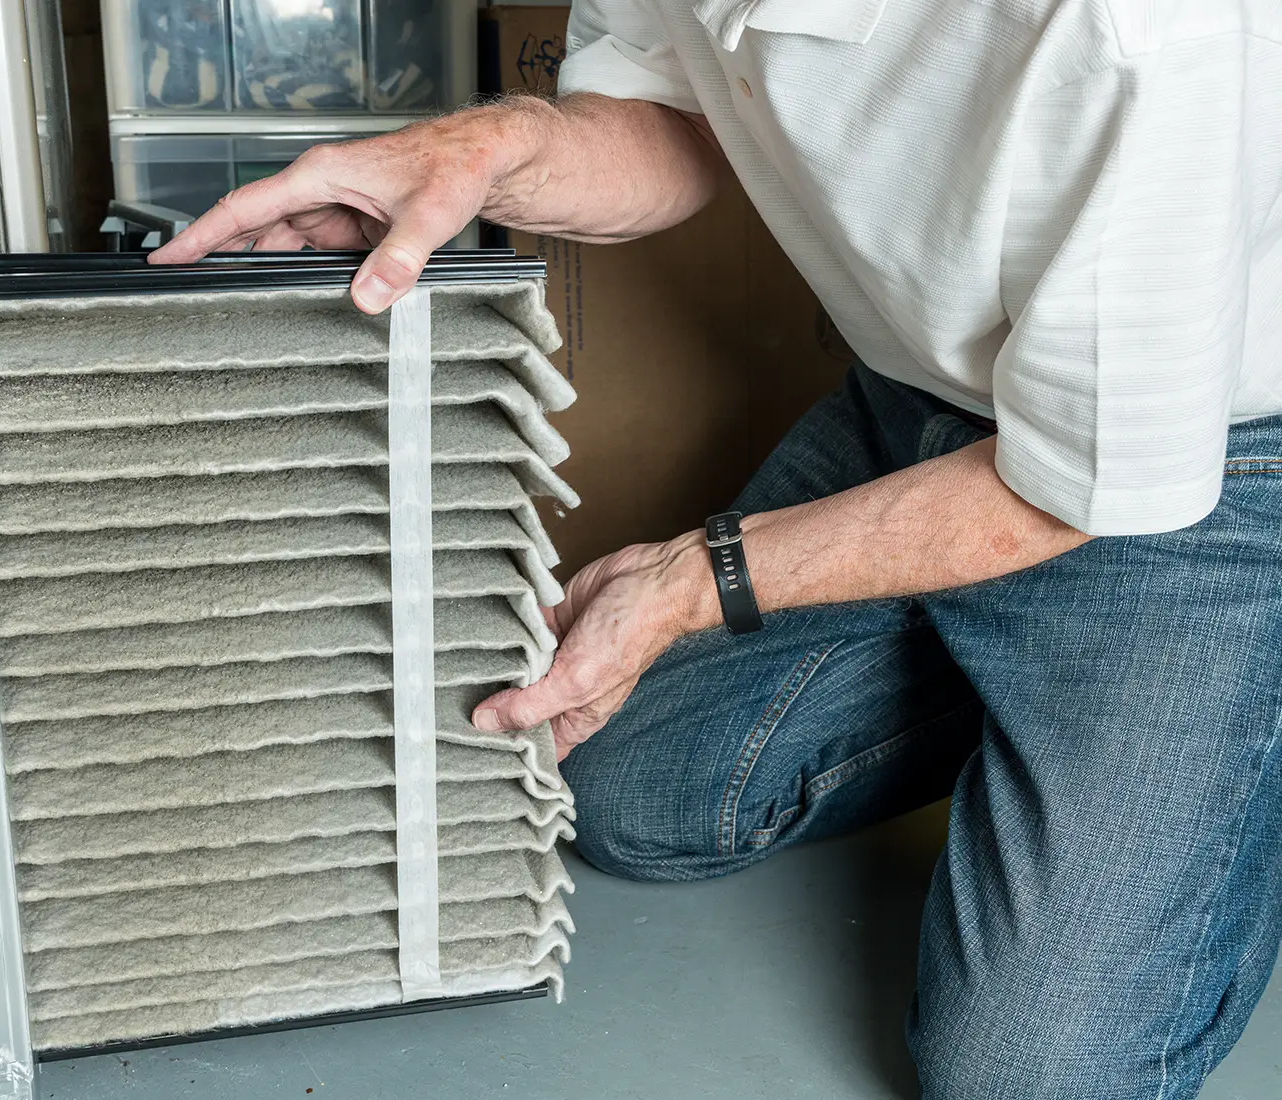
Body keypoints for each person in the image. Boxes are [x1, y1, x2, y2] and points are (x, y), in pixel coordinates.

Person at [151, 2, 1282, 1095]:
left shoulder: (1146, 25)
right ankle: (1027, 690)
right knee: (630, 790)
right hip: (917, 407)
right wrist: (493, 151)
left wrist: (692, 577)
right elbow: (681, 124)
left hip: (1183, 476)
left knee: (1035, 1077)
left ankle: (1229, 714)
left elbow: (1068, 487)